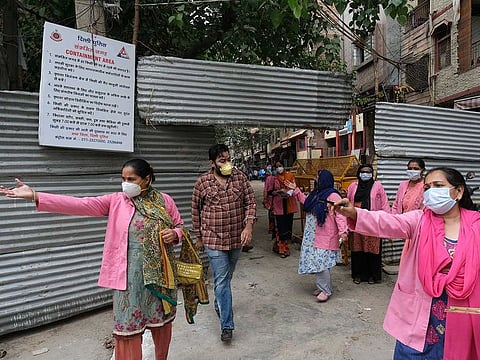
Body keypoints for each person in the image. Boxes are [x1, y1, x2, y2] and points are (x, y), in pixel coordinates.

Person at [0, 158, 207, 360]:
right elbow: (80, 204)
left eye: (131, 179)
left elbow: (180, 226)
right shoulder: (117, 201)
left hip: (160, 278)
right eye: (123, 178)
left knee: (161, 325)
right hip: (128, 281)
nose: (126, 183)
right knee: (127, 331)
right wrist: (35, 195)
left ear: (147, 179)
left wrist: (175, 234)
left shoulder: (164, 201)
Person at [334, 167, 480, 359]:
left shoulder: (476, 225)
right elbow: (387, 222)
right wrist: (355, 213)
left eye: (438, 186)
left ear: (459, 191)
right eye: (427, 187)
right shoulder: (419, 220)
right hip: (421, 312)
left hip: (463, 311)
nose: (431, 192)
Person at [191, 144, 256, 342]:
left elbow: (250, 202)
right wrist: (199, 238)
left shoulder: (240, 177)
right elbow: (196, 211)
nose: (227, 164)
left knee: (227, 277)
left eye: (228, 159)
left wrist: (248, 227)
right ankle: (227, 325)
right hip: (213, 239)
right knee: (221, 279)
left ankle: (220, 303)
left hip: (237, 237)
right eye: (222, 160)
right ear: (212, 163)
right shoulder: (202, 183)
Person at [285, 170, 348, 302]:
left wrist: (343, 231)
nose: (316, 180)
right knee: (317, 261)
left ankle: (326, 290)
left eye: (318, 178)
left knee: (322, 263)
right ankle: (322, 287)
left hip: (326, 234)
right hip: (312, 235)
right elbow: (306, 201)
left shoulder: (333, 196)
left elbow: (340, 215)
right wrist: (295, 190)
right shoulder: (316, 194)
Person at [346, 164, 390, 284]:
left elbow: (384, 204)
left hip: (373, 222)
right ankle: (358, 275)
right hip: (357, 221)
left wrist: (386, 222)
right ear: (359, 173)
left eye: (368, 172)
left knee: (372, 249)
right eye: (363, 172)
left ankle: (373, 275)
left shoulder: (378, 186)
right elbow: (348, 203)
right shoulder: (353, 186)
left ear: (372, 174)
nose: (365, 174)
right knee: (358, 249)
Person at [266, 159, 298, 258]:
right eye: (277, 166)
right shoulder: (272, 178)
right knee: (280, 228)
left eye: (280, 165)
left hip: (289, 205)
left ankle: (279, 246)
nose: (279, 168)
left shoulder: (290, 176)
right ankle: (282, 249)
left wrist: (289, 192)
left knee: (288, 227)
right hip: (278, 206)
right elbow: (268, 192)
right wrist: (276, 193)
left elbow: (294, 188)